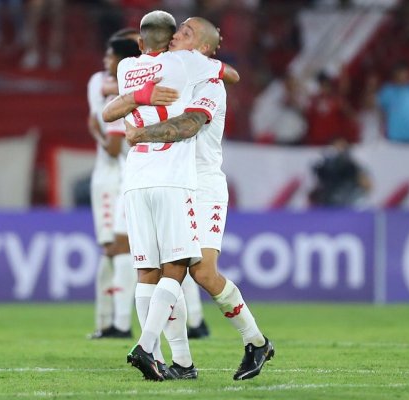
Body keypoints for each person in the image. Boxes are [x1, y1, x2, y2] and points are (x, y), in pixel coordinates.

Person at [109, 16, 275, 381]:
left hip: (203, 186)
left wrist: (139, 134)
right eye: (175, 29)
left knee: (199, 271)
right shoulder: (171, 72)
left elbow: (187, 125)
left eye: (184, 33)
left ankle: (256, 341)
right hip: (168, 180)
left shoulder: (210, 86)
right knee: (167, 270)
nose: (175, 36)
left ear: (200, 47)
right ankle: (181, 362)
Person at [86, 29, 140, 340]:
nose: (105, 60)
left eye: (110, 55)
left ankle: (117, 323)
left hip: (116, 178)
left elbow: (113, 145)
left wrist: (94, 129)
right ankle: (109, 321)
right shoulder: (104, 85)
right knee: (112, 249)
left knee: (117, 247)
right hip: (118, 176)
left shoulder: (119, 93)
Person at [377, 35, 409, 143]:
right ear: (395, 76)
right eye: (403, 75)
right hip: (393, 137)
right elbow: (381, 112)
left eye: (407, 75)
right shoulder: (387, 90)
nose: (407, 77)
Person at [309, 137, 371, 207]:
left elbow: (367, 186)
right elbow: (316, 185)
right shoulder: (324, 165)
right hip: (328, 201)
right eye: (336, 147)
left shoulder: (353, 164)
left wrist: (354, 169)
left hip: (350, 200)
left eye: (342, 147)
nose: (339, 151)